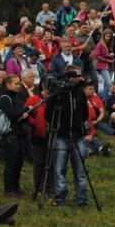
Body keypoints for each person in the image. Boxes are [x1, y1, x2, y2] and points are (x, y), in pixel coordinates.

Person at [46, 65, 89, 207]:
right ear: (69, 77)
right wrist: (59, 125)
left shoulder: (80, 93)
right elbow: (48, 114)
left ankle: (81, 199)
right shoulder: (58, 92)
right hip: (61, 137)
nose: (80, 79)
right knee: (59, 170)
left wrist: (78, 124)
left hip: (78, 136)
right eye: (77, 76)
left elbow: (85, 113)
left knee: (80, 171)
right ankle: (60, 198)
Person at [0, 74, 28, 197]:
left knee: (19, 161)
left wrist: (24, 115)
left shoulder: (16, 97)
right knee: (11, 162)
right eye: (15, 84)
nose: (18, 86)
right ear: (8, 84)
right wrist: (24, 110)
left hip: (18, 132)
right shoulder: (5, 98)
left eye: (19, 83)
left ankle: (16, 186)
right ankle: (8, 188)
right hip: (10, 133)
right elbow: (12, 115)